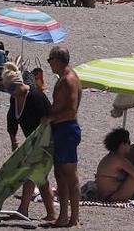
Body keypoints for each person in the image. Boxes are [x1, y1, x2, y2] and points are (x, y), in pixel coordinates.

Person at [1, 68, 57, 220]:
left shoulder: (35, 97)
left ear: (19, 84)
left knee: (36, 174)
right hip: (32, 140)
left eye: (12, 88)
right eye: (7, 89)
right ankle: (27, 210)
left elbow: (47, 121)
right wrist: (14, 141)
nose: (10, 92)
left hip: (47, 138)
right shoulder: (14, 98)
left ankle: (47, 213)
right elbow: (11, 119)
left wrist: (37, 147)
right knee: (36, 175)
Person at [43, 46, 81, 228]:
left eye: (50, 60)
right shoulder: (62, 79)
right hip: (60, 129)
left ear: (57, 59)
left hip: (67, 129)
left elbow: (71, 110)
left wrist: (51, 117)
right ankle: (63, 217)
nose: (49, 64)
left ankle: (74, 219)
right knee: (59, 174)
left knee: (70, 176)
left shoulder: (69, 80)